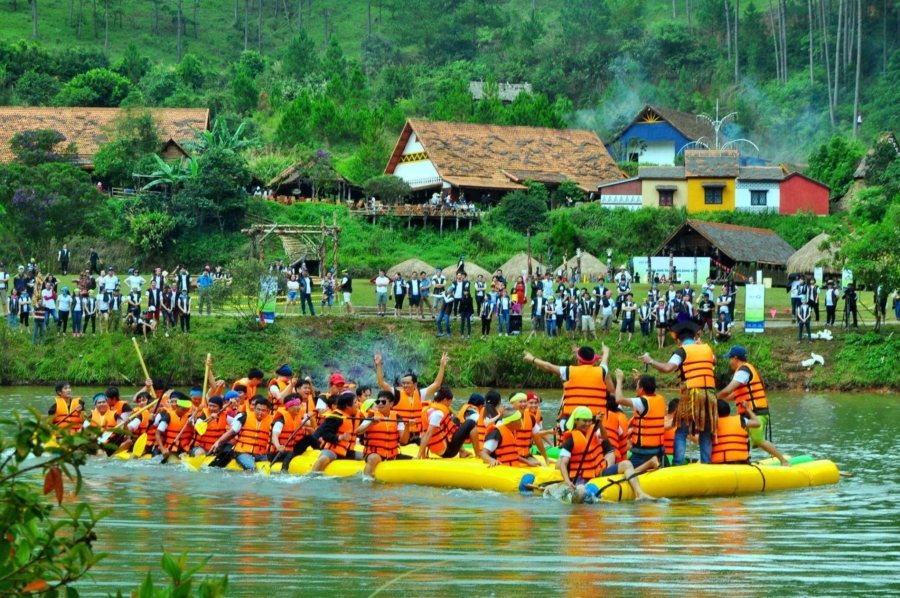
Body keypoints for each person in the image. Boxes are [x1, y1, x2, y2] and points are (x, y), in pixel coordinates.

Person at [642, 320, 717, 465]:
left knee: (681, 431)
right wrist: (700, 345)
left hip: (692, 394)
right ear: (694, 337)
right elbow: (715, 360)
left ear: (678, 340)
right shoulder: (707, 348)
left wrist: (650, 361)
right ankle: (706, 464)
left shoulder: (682, 351)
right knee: (706, 431)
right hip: (710, 395)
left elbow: (667, 368)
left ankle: (677, 463)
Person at [556, 407, 656, 503]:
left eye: (589, 421)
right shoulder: (570, 440)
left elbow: (604, 436)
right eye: (584, 421)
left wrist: (600, 424)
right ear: (576, 421)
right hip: (582, 477)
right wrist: (568, 481)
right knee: (581, 491)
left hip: (599, 471)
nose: (587, 424)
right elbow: (563, 464)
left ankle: (640, 494)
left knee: (627, 464)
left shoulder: (593, 430)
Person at [717, 345, 790, 466]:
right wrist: (718, 399)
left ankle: (784, 461)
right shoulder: (741, 372)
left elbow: (728, 390)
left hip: (757, 412)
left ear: (735, 358)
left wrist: (714, 398)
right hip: (747, 413)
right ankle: (744, 461)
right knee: (739, 436)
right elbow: (734, 395)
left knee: (757, 438)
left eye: (730, 358)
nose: (730, 362)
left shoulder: (743, 371)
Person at [523, 344, 612, 433]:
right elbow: (604, 361)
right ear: (593, 360)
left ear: (578, 360)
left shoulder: (569, 371)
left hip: (574, 419)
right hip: (595, 420)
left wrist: (532, 358)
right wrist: (606, 352)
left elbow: (549, 367)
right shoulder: (602, 371)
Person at [375, 349, 447, 443]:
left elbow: (436, 384)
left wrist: (442, 366)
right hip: (401, 435)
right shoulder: (396, 393)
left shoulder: (420, 394)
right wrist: (379, 365)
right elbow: (381, 382)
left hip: (417, 435)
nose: (405, 385)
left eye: (408, 383)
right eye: (403, 383)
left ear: (415, 384)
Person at [613, 369, 666, 470]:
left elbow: (619, 399)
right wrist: (639, 380)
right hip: (658, 450)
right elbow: (644, 396)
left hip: (643, 454)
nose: (636, 388)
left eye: (637, 386)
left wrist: (619, 381)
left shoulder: (642, 402)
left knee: (615, 471)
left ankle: (650, 463)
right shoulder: (660, 398)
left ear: (641, 389)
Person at [356, 390, 411, 476]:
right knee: (373, 458)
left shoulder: (397, 418)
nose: (380, 404)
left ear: (391, 404)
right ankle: (366, 481)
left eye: (383, 402)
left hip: (393, 454)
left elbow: (404, 441)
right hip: (374, 453)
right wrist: (371, 423)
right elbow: (358, 431)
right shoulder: (372, 416)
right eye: (378, 402)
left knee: (415, 459)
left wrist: (407, 427)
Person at [417, 387, 481, 459]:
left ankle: (462, 451)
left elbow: (423, 433)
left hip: (443, 446)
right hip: (448, 451)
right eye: (450, 401)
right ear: (445, 400)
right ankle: (478, 454)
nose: (450, 404)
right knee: (470, 423)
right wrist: (419, 456)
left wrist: (423, 456)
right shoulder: (438, 413)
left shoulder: (429, 409)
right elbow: (427, 434)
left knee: (455, 420)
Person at [211, 397, 273, 471]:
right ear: (254, 409)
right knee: (251, 468)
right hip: (242, 452)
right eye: (258, 409)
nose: (260, 412)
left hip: (261, 454)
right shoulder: (244, 416)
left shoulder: (272, 420)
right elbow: (231, 431)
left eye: (263, 410)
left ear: (268, 411)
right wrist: (218, 442)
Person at [311, 392, 361, 471]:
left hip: (349, 451)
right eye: (355, 402)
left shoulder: (356, 415)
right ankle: (311, 475)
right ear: (348, 406)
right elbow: (326, 435)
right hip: (333, 450)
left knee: (363, 456)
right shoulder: (336, 417)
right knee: (322, 460)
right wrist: (340, 438)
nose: (357, 405)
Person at [712, 399, 760, 464]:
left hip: (719, 463)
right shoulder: (740, 420)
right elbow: (757, 423)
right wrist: (747, 408)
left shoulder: (711, 423)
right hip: (740, 461)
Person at [153, 392, 196, 459]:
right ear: (177, 406)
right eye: (183, 410)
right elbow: (157, 434)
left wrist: (191, 426)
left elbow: (196, 432)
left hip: (184, 448)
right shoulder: (168, 417)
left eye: (187, 410)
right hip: (169, 448)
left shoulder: (189, 417)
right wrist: (163, 450)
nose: (184, 412)